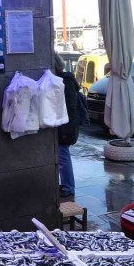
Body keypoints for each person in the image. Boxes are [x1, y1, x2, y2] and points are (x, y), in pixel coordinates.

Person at [54, 53, 80, 198]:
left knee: (63, 155)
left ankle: (68, 187)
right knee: (62, 155)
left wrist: (64, 128)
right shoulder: (65, 79)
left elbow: (70, 107)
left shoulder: (65, 81)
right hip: (66, 124)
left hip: (66, 126)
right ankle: (66, 185)